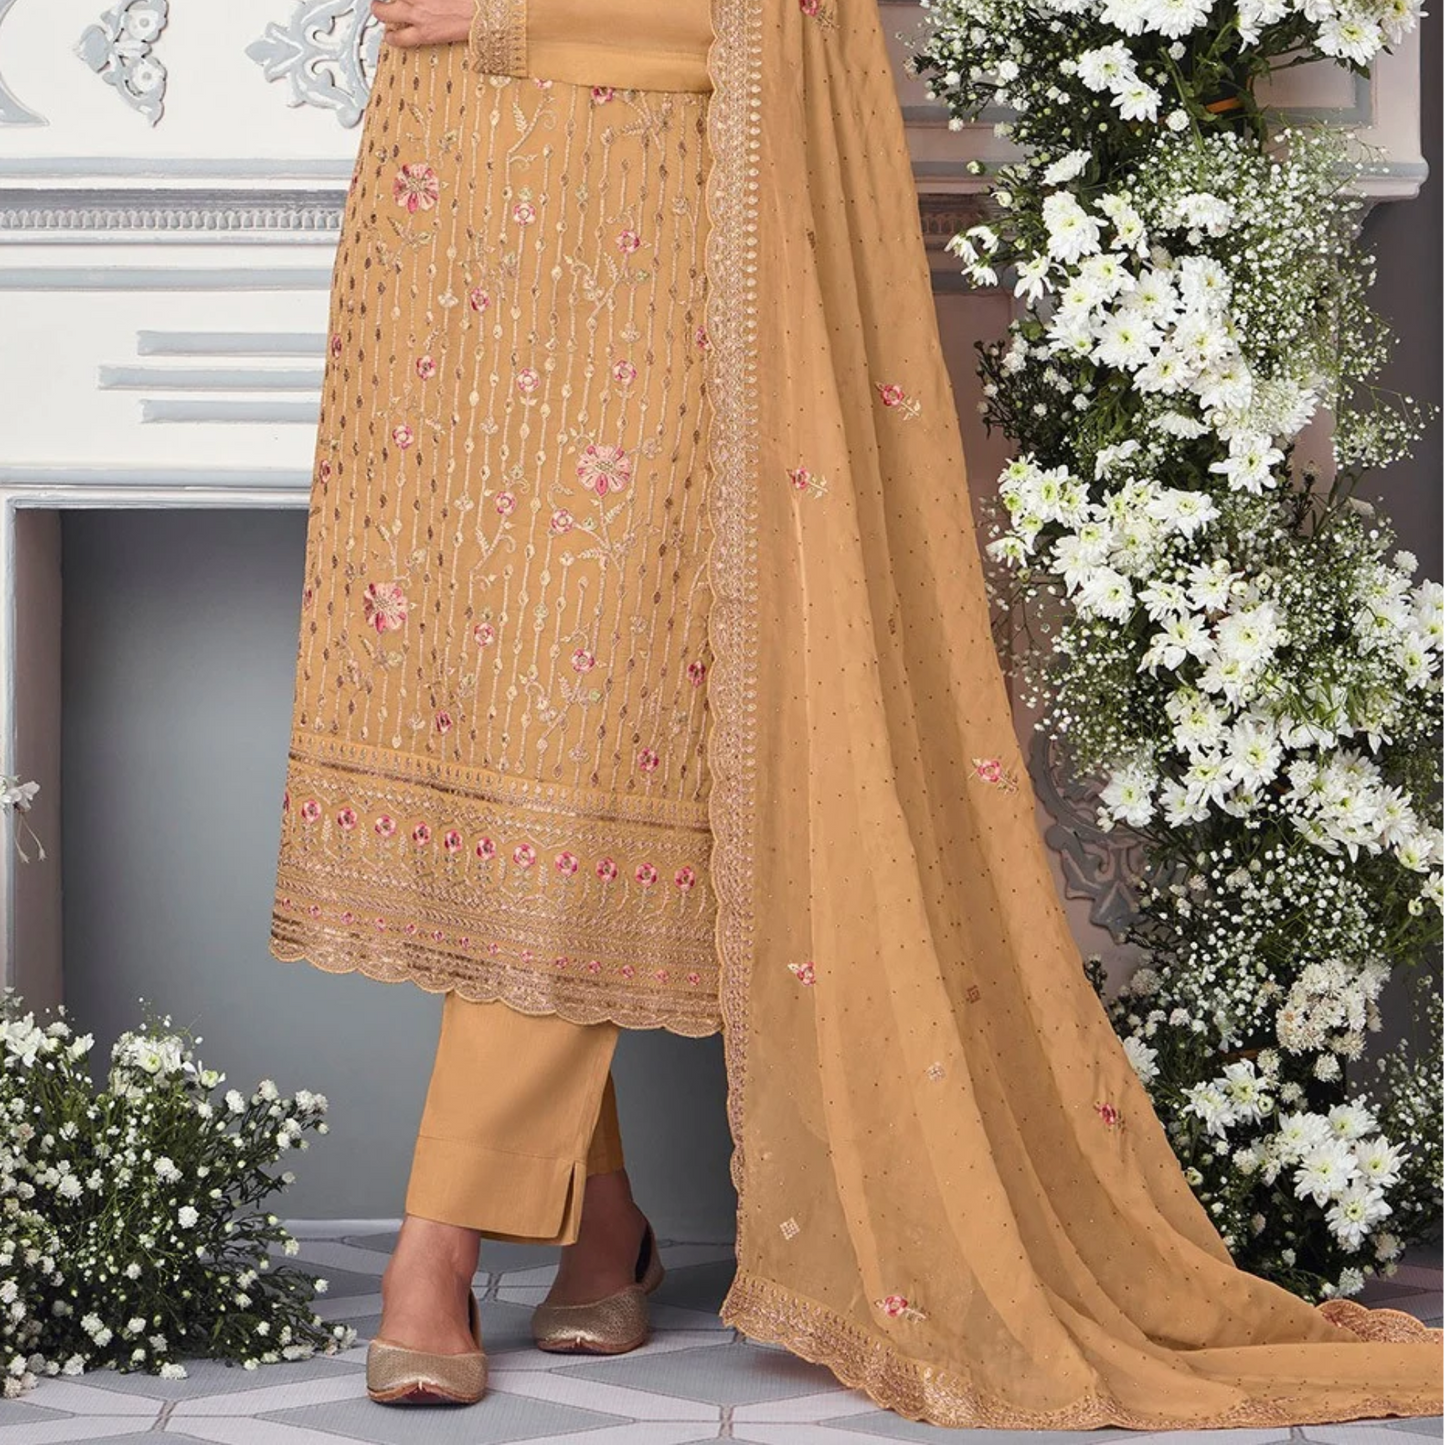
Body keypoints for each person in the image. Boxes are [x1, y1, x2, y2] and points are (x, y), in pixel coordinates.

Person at [269, 0, 1445, 1428]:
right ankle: (603, 1228)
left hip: (671, 227)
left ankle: (438, 1244)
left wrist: (521, 15)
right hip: (458, 209)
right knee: (519, 732)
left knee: (588, 727)